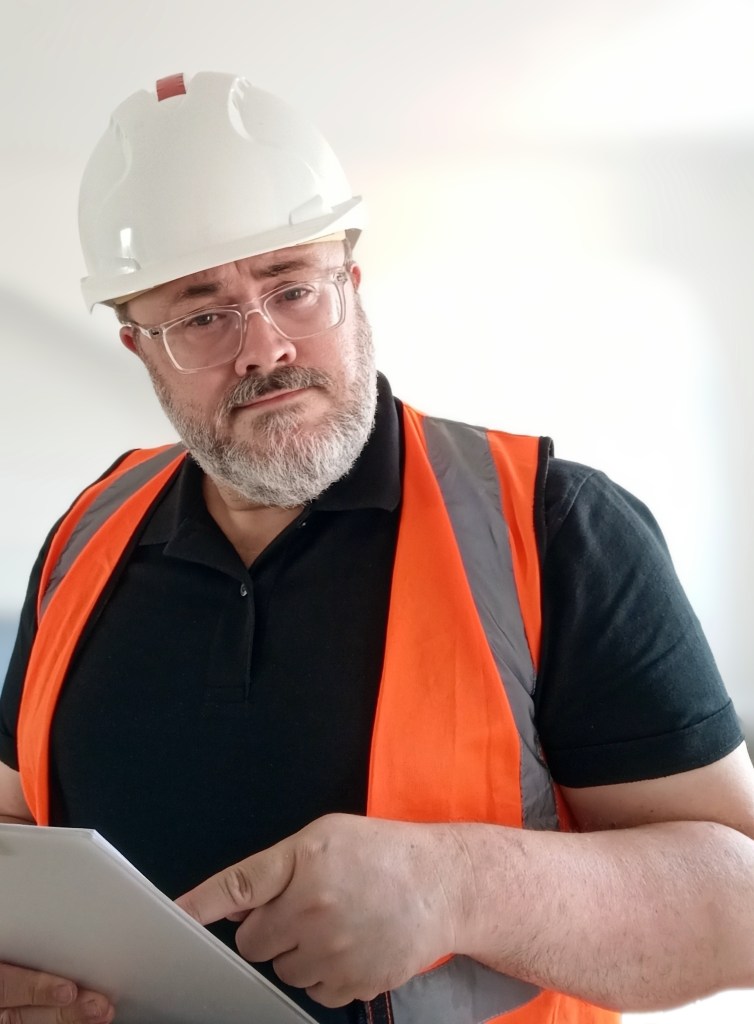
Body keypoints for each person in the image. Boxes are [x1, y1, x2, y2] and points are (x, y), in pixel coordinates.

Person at [1, 70, 753, 1024]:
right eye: (200, 315)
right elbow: (16, 834)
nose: (265, 347)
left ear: (351, 284)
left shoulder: (552, 527)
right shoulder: (86, 532)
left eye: (293, 288)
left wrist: (458, 884)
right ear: (138, 347)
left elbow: (738, 905)